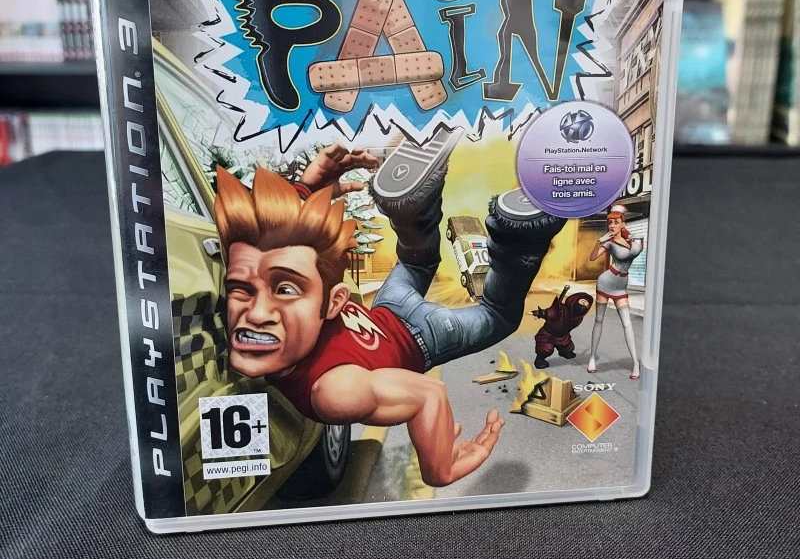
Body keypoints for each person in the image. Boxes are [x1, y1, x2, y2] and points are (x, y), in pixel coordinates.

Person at [214, 129, 565, 487]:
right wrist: (306, 189)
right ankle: (418, 215)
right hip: (388, 308)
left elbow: (428, 394)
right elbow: (276, 248)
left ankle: (515, 242)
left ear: (334, 302)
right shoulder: (301, 301)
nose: (256, 314)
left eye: (285, 290)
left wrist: (439, 469)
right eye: (241, 289)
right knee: (417, 262)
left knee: (497, 316)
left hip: (421, 336)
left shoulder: (333, 392)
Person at [588, 203, 643, 379]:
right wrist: (599, 241)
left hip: (621, 287)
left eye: (615, 222)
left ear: (622, 224)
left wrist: (637, 238)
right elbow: (592, 258)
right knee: (599, 320)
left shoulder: (633, 240)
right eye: (610, 223)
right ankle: (592, 358)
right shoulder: (609, 243)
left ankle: (635, 363)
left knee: (627, 324)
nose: (612, 226)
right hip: (606, 283)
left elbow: (638, 249)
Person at [531, 285, 593, 369]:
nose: (585, 305)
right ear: (575, 300)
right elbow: (549, 313)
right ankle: (539, 360)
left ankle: (564, 353)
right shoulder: (560, 309)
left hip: (563, 336)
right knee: (545, 348)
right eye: (583, 302)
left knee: (568, 347)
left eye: (587, 305)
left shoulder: (578, 318)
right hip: (548, 334)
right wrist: (540, 313)